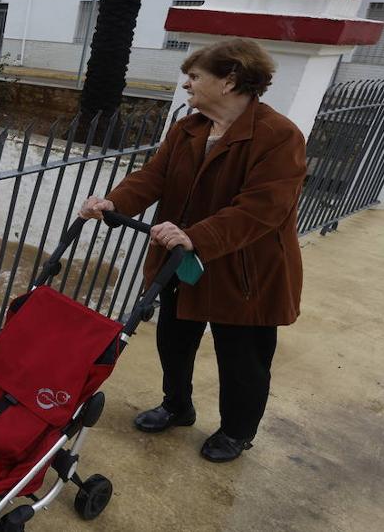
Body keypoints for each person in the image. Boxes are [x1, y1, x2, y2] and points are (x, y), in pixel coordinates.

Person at [79, 38, 305, 463]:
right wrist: (115, 201)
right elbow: (155, 176)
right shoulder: (190, 127)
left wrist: (196, 236)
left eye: (195, 76)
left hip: (244, 271)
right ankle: (177, 406)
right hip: (184, 261)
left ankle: (237, 431)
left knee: (242, 358)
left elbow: (262, 210)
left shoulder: (279, 137)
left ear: (230, 79)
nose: (186, 85)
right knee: (173, 340)